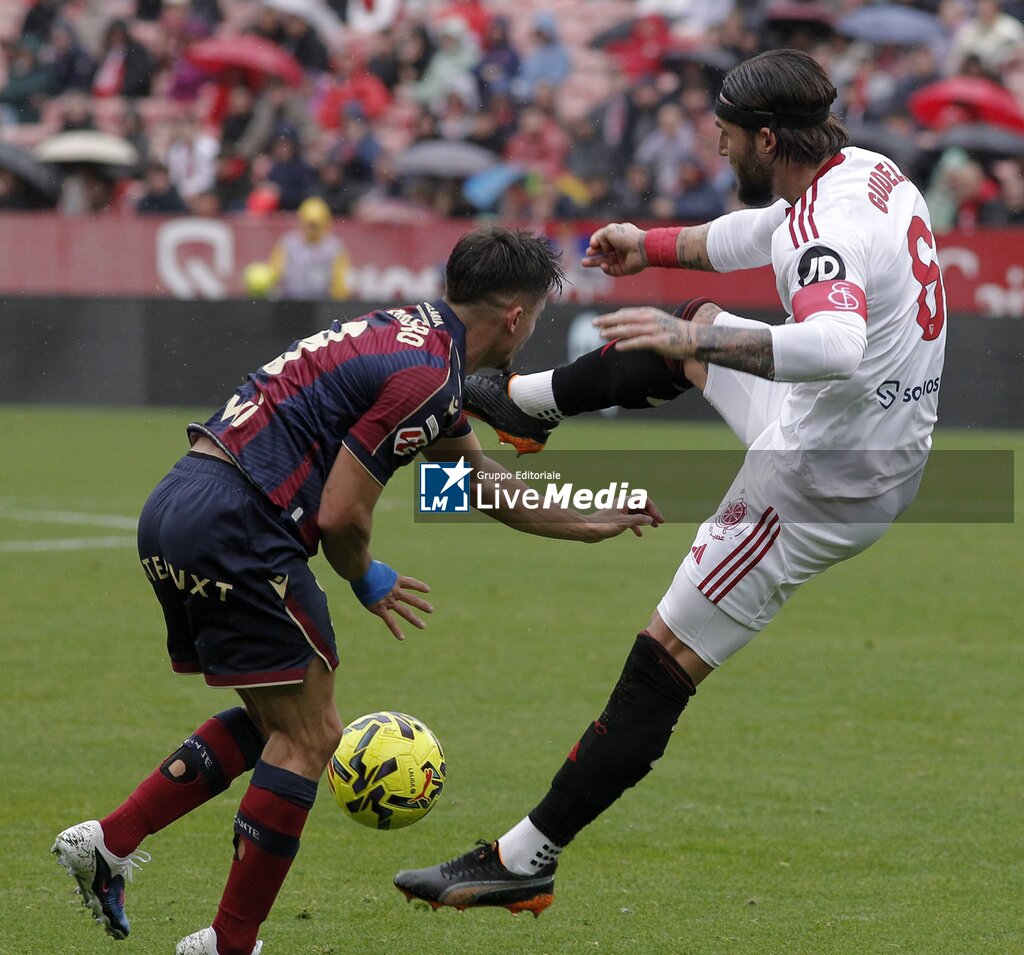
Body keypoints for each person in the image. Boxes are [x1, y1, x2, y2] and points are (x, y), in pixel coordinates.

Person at [394, 48, 947, 915]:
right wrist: (648, 246)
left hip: (812, 483)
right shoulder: (862, 176)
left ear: (767, 137)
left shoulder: (824, 227)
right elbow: (750, 237)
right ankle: (527, 406)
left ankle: (524, 858)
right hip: (879, 443)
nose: (720, 155)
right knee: (688, 325)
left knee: (663, 662)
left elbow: (834, 345)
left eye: (728, 141)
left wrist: (705, 345)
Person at [50, 226, 657, 955]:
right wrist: (367, 575)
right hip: (243, 523)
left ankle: (109, 842)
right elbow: (341, 515)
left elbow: (474, 480)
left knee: (283, 718)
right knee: (313, 738)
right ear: (516, 317)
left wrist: (586, 522)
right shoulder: (428, 377)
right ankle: (228, 943)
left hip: (179, 504)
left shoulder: (409, 340)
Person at [259, 196, 351, 300]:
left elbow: (340, 281)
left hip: (323, 304)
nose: (312, 229)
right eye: (309, 224)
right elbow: (275, 272)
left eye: (315, 224)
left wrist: (336, 302)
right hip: (291, 303)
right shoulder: (289, 242)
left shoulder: (334, 247)